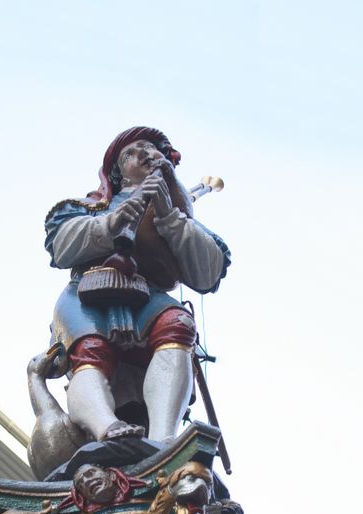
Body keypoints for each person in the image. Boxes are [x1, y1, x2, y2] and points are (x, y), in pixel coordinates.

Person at [44, 126, 230, 445]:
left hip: (147, 293)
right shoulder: (93, 207)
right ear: (118, 173)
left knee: (177, 325)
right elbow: (61, 247)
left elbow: (206, 274)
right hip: (89, 289)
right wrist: (110, 224)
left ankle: (164, 438)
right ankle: (105, 425)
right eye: (132, 152)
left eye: (151, 149)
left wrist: (171, 218)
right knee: (89, 347)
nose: (144, 154)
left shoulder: (175, 211)